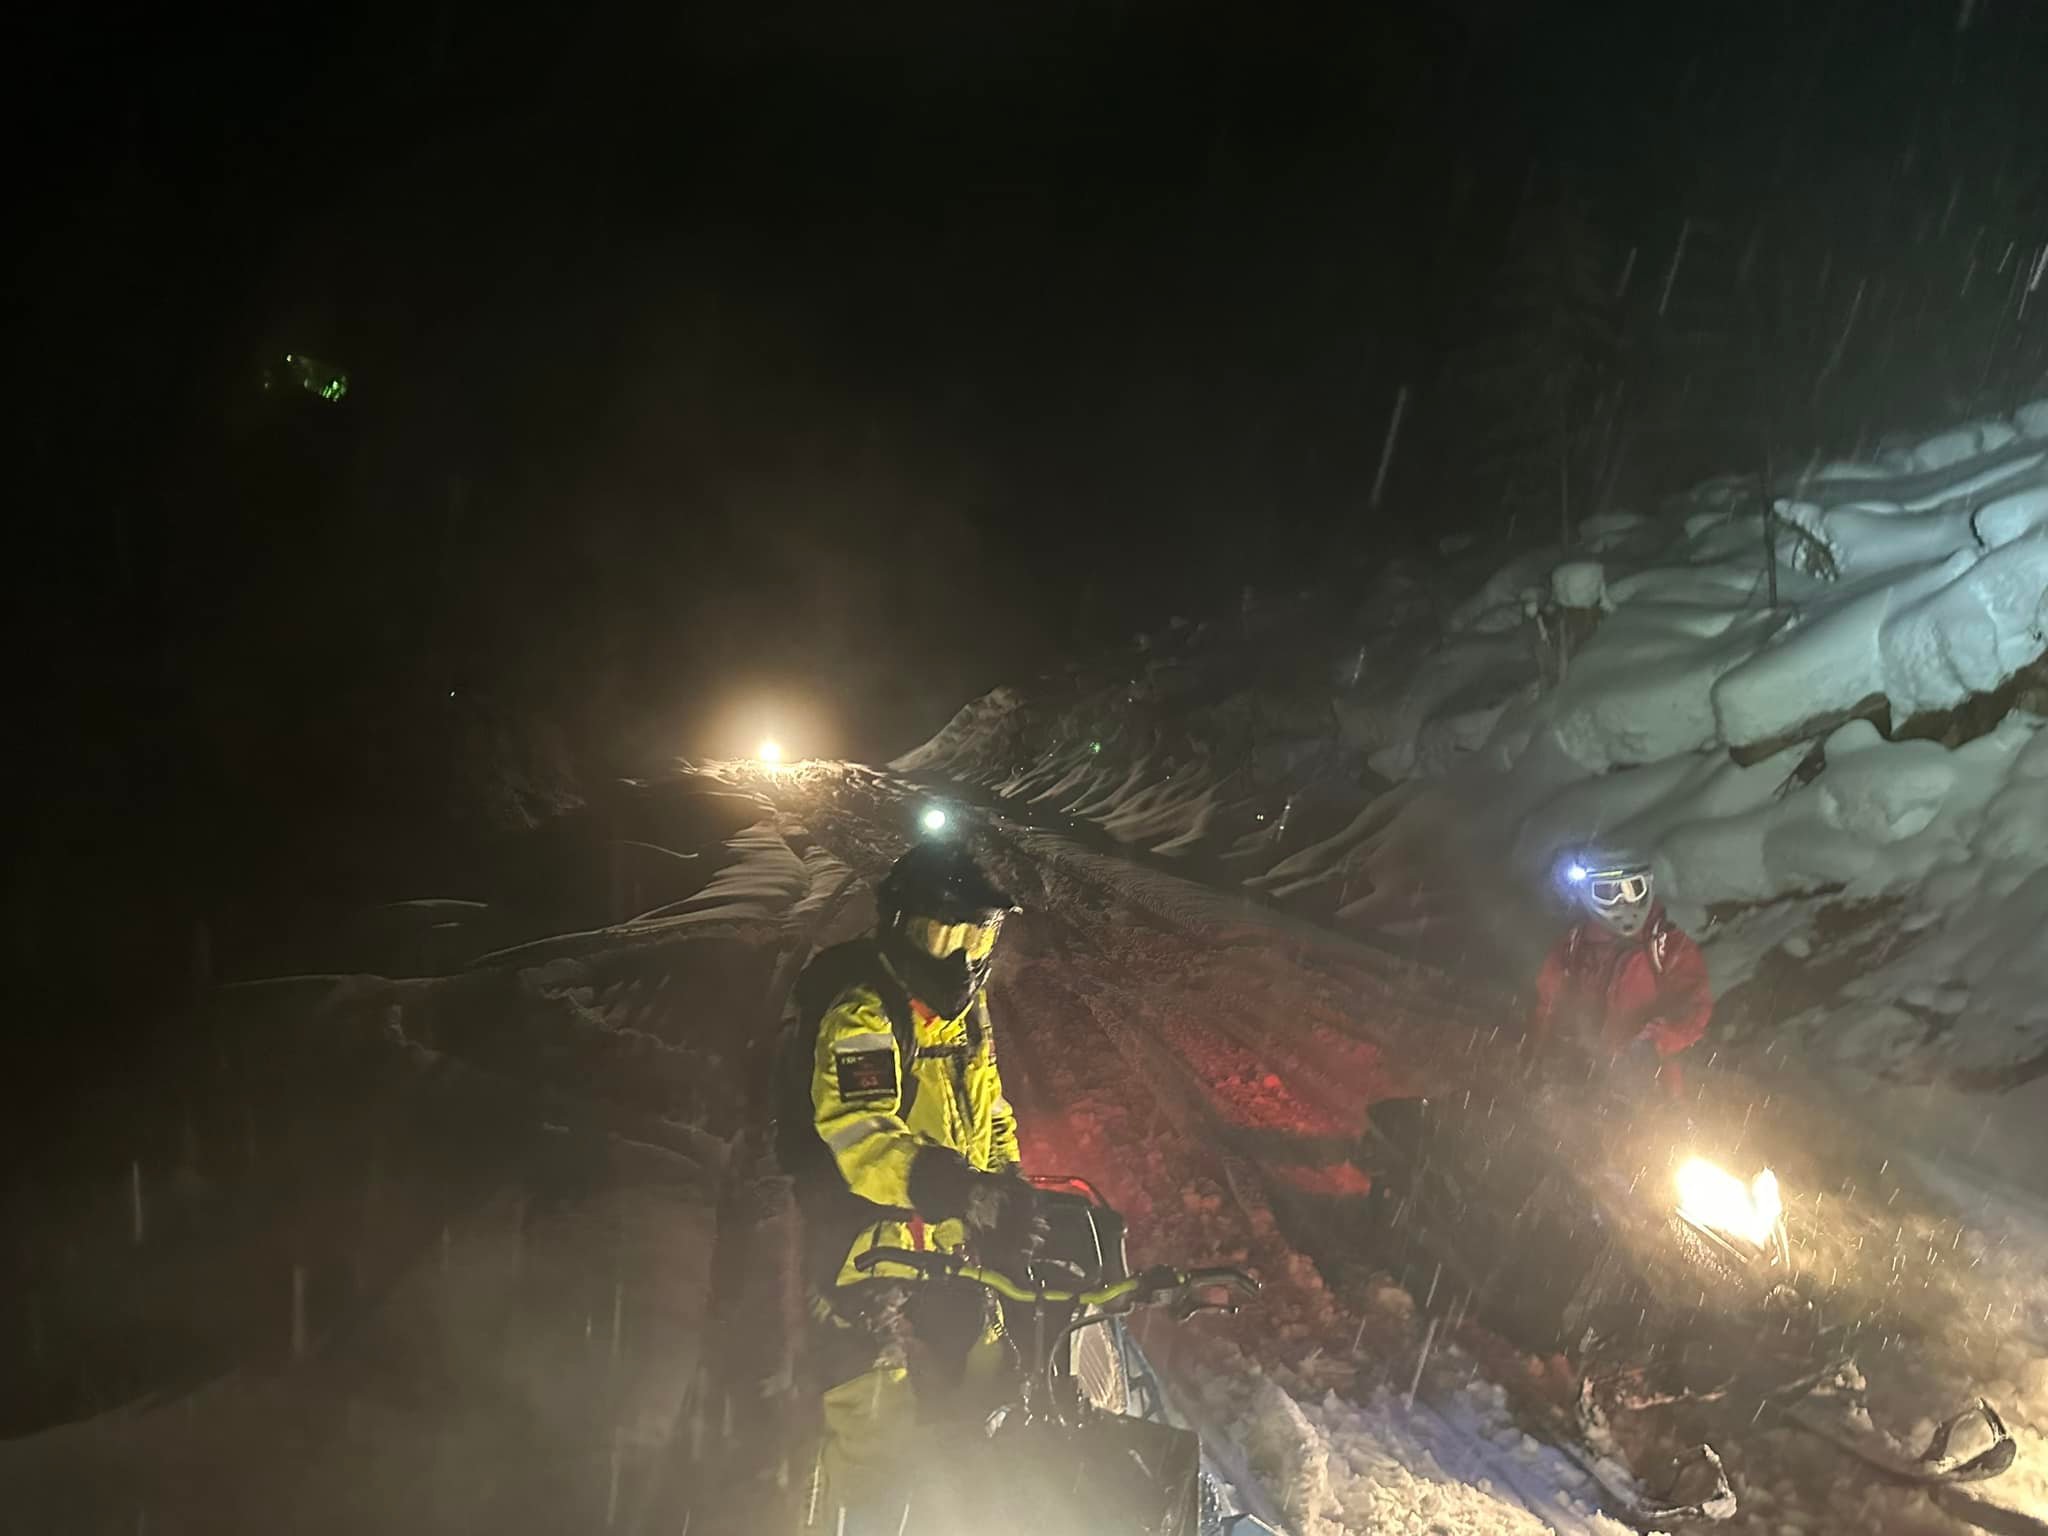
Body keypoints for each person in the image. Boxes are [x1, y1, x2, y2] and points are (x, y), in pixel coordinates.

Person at [785, 839, 1043, 1528]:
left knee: (991, 1375)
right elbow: (859, 1131)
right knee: (874, 1418)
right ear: (900, 927)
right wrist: (954, 1189)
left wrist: (1007, 1182)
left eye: (977, 937)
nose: (960, 957)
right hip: (861, 1242)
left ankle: (968, 1503)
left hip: (948, 1235)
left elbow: (990, 1111)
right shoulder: (865, 1014)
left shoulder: (967, 1017)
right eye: (942, 934)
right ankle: (854, 1516)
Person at [1526, 849, 1712, 1097]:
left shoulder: (1665, 944)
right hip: (1584, 1072)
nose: (1624, 903)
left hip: (1647, 1083)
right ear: (1587, 894)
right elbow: (1547, 1001)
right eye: (1608, 893)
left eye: (1634, 889)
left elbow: (1696, 1001)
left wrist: (1663, 1035)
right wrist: (1537, 1052)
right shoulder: (1575, 943)